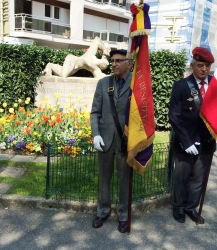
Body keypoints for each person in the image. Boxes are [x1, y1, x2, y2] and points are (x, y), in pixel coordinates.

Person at [169, 47, 216, 224]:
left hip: (206, 141)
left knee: (198, 179)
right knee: (182, 178)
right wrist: (186, 141)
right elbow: (174, 116)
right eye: (200, 65)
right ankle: (179, 207)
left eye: (207, 65)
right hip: (185, 142)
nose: (204, 69)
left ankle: (191, 207)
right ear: (192, 65)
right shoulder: (181, 86)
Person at [90, 49, 133, 233]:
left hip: (126, 141)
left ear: (129, 63)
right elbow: (95, 112)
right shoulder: (103, 83)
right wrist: (96, 134)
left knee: (125, 180)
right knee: (104, 179)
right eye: (113, 60)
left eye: (118, 61)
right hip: (105, 139)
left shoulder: (138, 84)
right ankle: (103, 211)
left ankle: (123, 216)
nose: (114, 64)